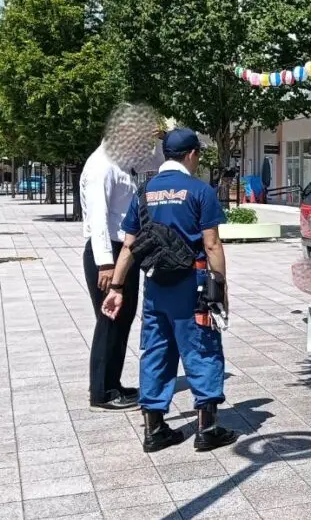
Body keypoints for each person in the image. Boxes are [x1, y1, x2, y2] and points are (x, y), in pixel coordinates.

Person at [101, 129, 237, 452]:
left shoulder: (144, 192)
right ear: (191, 155)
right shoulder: (200, 191)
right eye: (198, 155)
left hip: (156, 287)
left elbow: (130, 246)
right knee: (201, 348)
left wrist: (117, 287)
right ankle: (208, 428)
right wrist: (222, 288)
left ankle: (155, 429)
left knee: (156, 351)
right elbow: (212, 243)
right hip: (193, 286)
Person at [80, 142, 142, 410]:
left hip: (123, 250)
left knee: (122, 319)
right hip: (109, 253)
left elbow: (156, 160)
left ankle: (112, 383)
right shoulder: (101, 165)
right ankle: (102, 392)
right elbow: (98, 217)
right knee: (109, 321)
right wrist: (106, 263)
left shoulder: (121, 160)